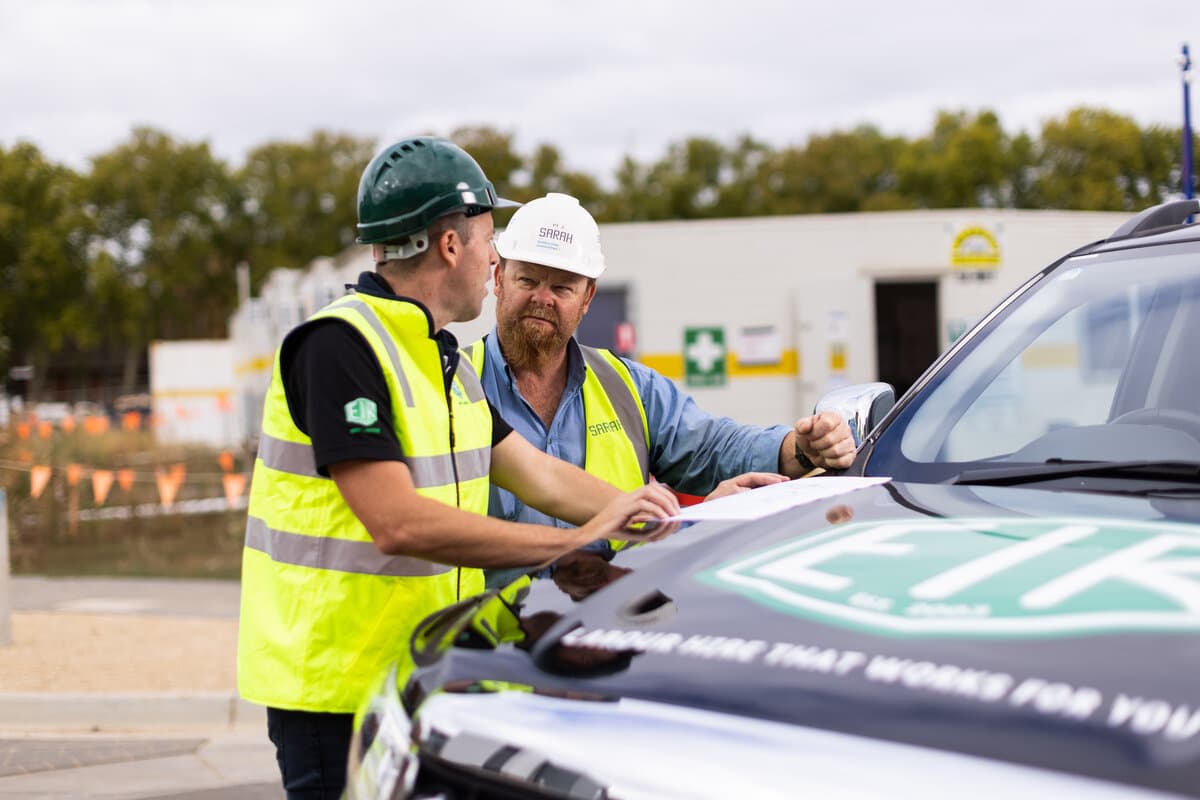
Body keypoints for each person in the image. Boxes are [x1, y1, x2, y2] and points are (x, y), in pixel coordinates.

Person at [236, 140, 680, 800]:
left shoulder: (442, 361)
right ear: (451, 244)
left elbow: (541, 477)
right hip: (336, 699)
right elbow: (398, 523)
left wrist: (672, 521)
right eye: (488, 238)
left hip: (424, 681)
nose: (495, 258)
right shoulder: (338, 347)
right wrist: (568, 543)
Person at [466, 192, 857, 535]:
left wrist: (799, 449)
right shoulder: (454, 385)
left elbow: (711, 448)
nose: (543, 298)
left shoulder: (627, 389)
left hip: (607, 615)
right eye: (527, 281)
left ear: (587, 298)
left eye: (562, 287)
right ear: (499, 279)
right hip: (483, 619)